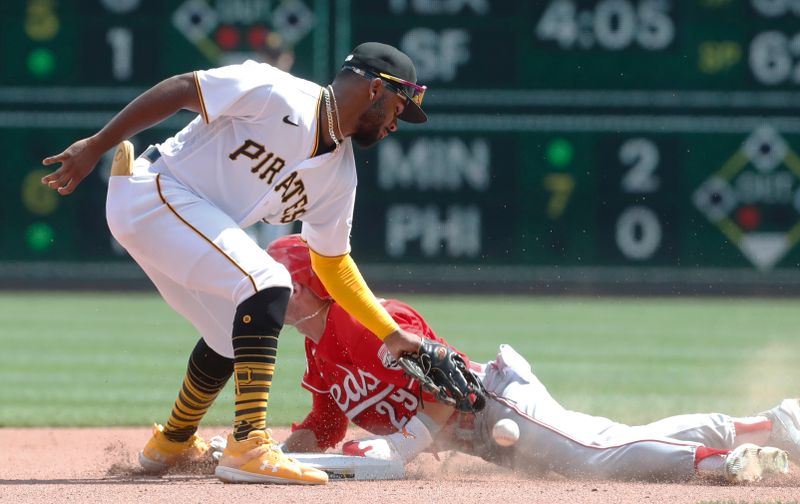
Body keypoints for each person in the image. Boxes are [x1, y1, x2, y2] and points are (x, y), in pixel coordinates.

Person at [39, 42, 429, 485]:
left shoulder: (339, 174)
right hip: (154, 192)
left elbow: (333, 265)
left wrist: (391, 334)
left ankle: (174, 438)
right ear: (375, 88)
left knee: (231, 329)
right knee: (268, 282)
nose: (397, 123)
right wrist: (96, 145)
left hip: (174, 218)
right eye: (399, 107)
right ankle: (249, 445)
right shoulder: (278, 93)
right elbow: (184, 88)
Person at [266, 234, 799, 484]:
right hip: (487, 436)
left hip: (495, 404)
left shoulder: (364, 320)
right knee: (611, 437)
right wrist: (270, 457)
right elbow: (325, 424)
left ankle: (722, 463)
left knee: (595, 458)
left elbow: (444, 383)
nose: (263, 294)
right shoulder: (318, 357)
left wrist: (408, 442)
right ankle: (766, 426)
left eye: (276, 284)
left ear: (306, 283)